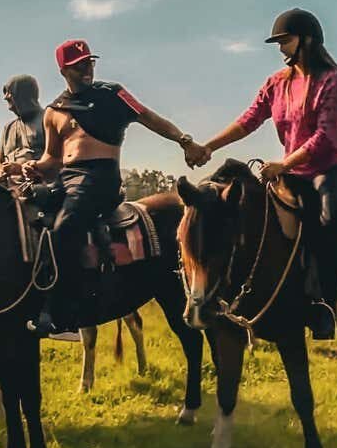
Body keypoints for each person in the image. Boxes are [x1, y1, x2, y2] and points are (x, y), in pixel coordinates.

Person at [197, 8, 337, 340]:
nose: (281, 49)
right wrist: (210, 146)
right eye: (279, 43)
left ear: (306, 40)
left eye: (286, 41)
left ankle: (324, 304)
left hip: (333, 169)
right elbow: (249, 119)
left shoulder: (332, 82)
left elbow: (325, 137)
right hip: (294, 171)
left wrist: (284, 165)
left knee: (326, 220)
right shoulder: (277, 83)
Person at [22, 39, 208, 335]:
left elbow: (149, 117)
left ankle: (57, 308)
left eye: (90, 62)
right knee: (29, 216)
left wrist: (185, 141)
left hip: (99, 179)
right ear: (63, 71)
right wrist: (30, 167)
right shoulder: (53, 111)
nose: (87, 69)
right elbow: (52, 159)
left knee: (64, 227)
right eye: (79, 65)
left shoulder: (114, 95)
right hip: (66, 179)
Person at [0, 74, 46, 188]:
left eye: (9, 92)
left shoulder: (48, 120)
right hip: (9, 192)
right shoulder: (9, 127)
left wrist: (20, 169)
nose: (6, 97)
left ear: (22, 95)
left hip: (39, 190)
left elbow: (55, 160)